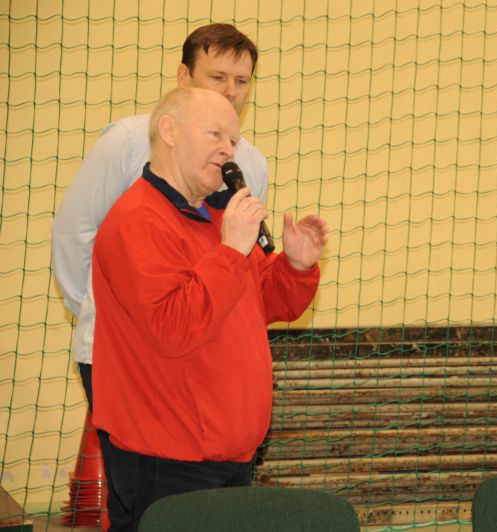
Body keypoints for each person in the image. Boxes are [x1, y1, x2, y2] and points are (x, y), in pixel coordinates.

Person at [91, 87, 328, 531]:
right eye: (215, 134)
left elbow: (260, 303)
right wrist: (232, 251)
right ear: (169, 131)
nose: (228, 150)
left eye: (233, 140)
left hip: (230, 454)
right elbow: (173, 327)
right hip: (168, 459)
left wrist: (296, 266)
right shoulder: (137, 222)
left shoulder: (217, 217)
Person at [52, 23, 266, 412]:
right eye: (217, 77)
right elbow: (74, 233)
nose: (230, 91)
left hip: (197, 356)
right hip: (117, 353)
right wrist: (106, 313)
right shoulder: (125, 142)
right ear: (184, 76)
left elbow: (242, 266)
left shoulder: (251, 163)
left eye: (241, 81)